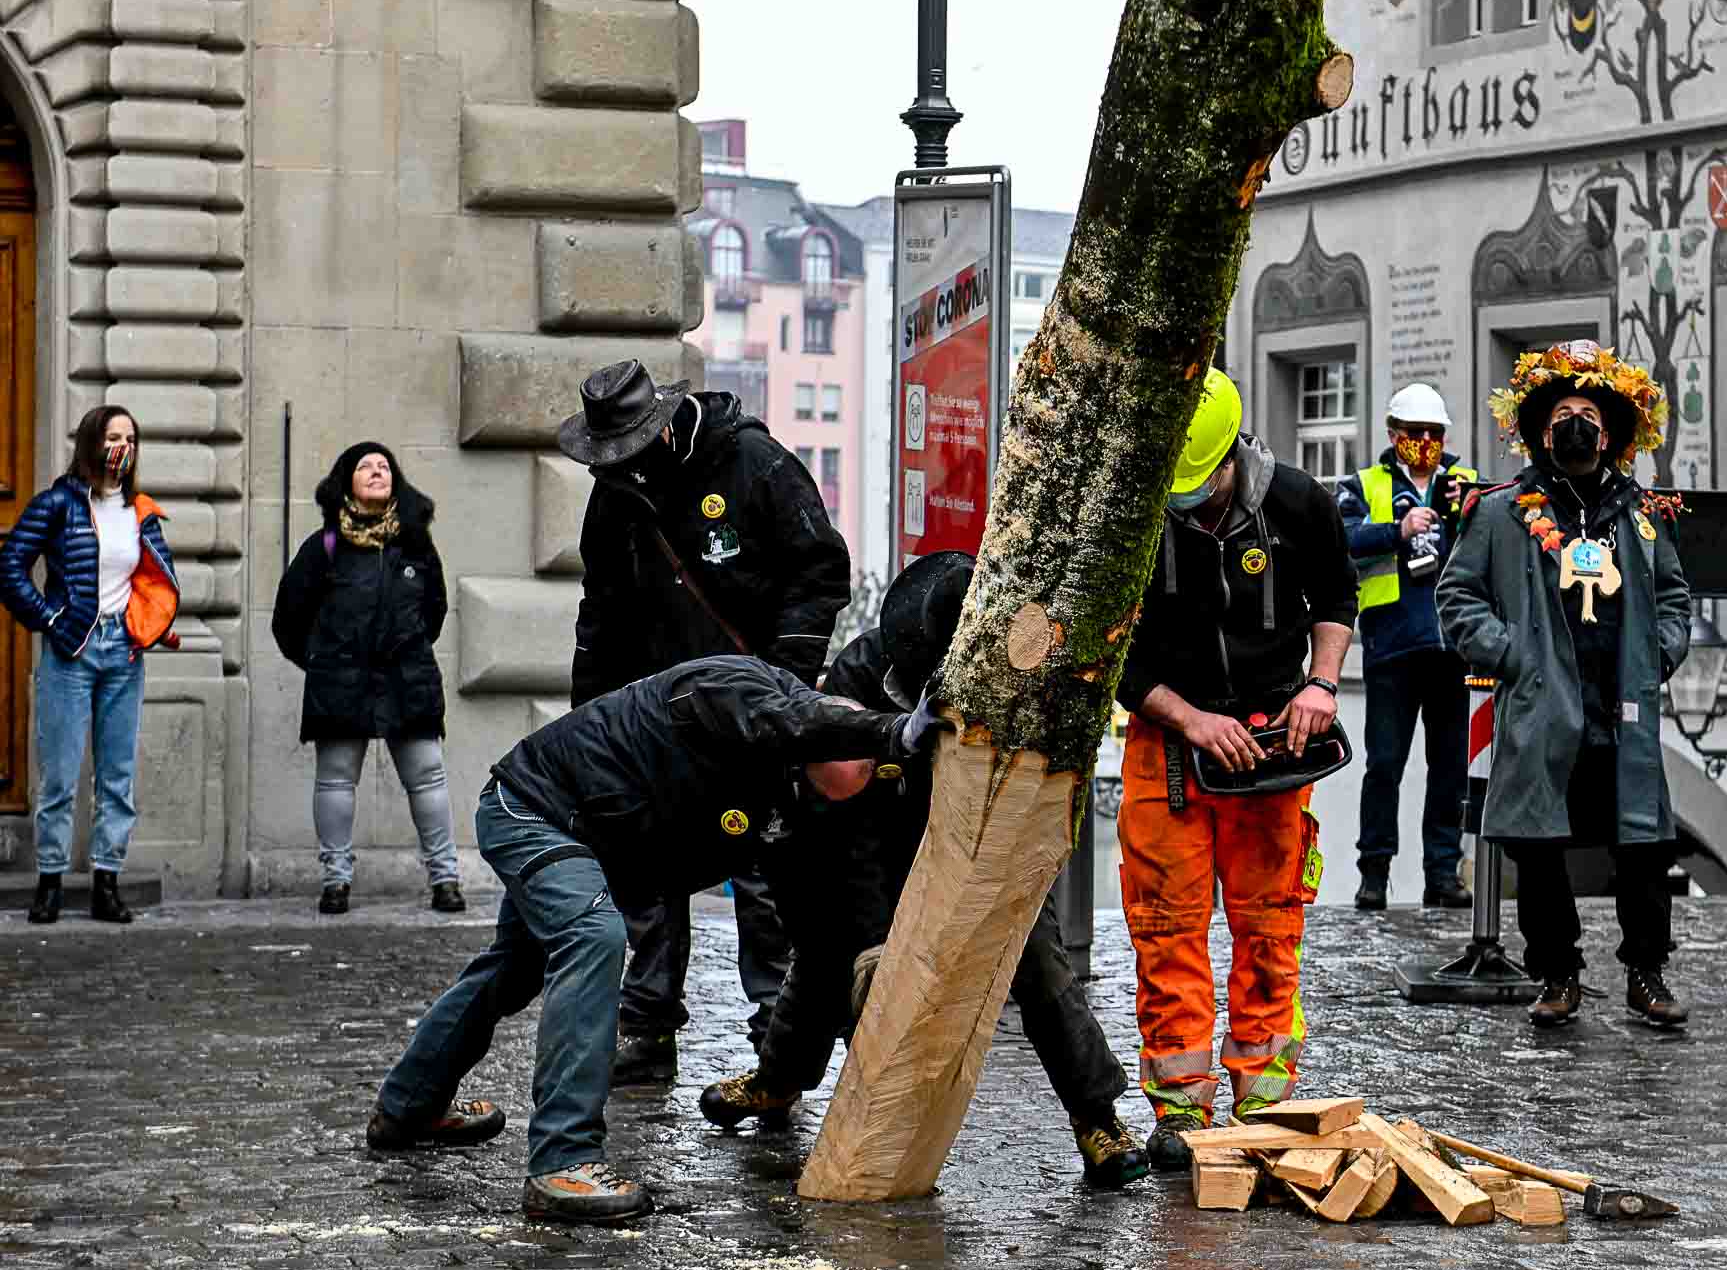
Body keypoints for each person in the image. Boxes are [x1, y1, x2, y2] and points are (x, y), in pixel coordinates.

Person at [365, 654, 940, 1222]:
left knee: (511, 971)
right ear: (813, 732)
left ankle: (409, 1107)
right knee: (592, 937)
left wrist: (826, 1047)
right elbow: (790, 723)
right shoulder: (736, 688)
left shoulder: (795, 797)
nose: (813, 798)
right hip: (536, 809)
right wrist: (895, 731)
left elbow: (817, 937)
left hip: (596, 843)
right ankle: (562, 1163)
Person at [698, 551, 1149, 1188]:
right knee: (832, 950)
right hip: (877, 831)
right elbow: (838, 820)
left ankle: (1097, 1118)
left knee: (1037, 958)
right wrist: (872, 951)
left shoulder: (1020, 680)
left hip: (992, 838)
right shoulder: (861, 672)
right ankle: (777, 1081)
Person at [558, 360, 851, 1088]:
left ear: (659, 429)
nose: (615, 465)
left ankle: (773, 1034)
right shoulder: (614, 497)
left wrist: (782, 679)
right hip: (652, 716)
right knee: (645, 868)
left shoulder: (753, 462)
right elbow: (601, 610)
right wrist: (591, 715)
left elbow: (819, 569)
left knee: (762, 870)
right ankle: (647, 1022)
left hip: (752, 707)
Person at [1114, 369, 1357, 1170]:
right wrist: (1189, 718)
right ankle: (1181, 1110)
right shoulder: (1135, 519)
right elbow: (1110, 653)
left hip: (1272, 746)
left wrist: (1320, 685)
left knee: (1269, 924)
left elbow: (1336, 598)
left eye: (1202, 489)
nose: (1190, 503)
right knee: (1165, 929)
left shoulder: (1296, 504)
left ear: (1232, 460)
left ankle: (1264, 1100)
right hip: (1168, 748)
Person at [1436, 341, 1694, 1032]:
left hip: (1622, 708)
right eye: (1563, 414)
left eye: (1589, 414)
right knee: (1538, 846)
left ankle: (1646, 973)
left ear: (1609, 433)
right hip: (1541, 708)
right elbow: (1458, 598)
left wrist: (1662, 653)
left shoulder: (1642, 515)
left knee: (1644, 845)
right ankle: (1557, 975)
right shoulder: (1499, 512)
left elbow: (1673, 596)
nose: (1577, 425)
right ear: (1543, 431)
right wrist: (1511, 653)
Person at [0, 406, 178, 925]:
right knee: (60, 774)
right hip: (71, 650)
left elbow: (155, 577)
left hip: (123, 650)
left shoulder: (140, 510)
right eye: (112, 436)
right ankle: (50, 883)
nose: (122, 446)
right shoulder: (59, 502)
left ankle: (107, 882)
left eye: (130, 438)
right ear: (91, 444)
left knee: (117, 775)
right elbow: (10, 564)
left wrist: (153, 621)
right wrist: (48, 618)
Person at [271, 443, 461, 916]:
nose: (377, 472)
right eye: (365, 467)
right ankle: (335, 881)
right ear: (346, 482)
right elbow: (289, 618)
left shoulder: (418, 546)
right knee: (335, 781)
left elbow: (433, 614)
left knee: (428, 777)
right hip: (340, 679)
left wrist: (408, 646)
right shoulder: (325, 547)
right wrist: (320, 662)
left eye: (384, 466)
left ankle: (446, 880)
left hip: (407, 677)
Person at [1335, 383, 1479, 911]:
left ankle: (1442, 873)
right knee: (1386, 764)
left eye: (1434, 434)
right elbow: (1342, 540)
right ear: (1393, 435)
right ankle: (1375, 873)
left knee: (1449, 767)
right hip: (1392, 646)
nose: (1425, 441)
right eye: (1415, 433)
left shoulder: (1464, 484)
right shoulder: (1363, 484)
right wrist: (1397, 529)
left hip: (1451, 648)